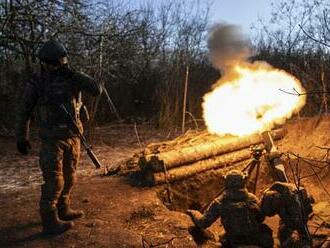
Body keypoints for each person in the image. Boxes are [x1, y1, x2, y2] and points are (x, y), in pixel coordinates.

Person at [15, 40, 102, 235]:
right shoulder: (37, 82)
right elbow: (24, 110)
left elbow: (96, 89)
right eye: (55, 62)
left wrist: (74, 74)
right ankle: (49, 220)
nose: (58, 65)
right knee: (54, 181)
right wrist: (22, 137)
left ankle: (64, 208)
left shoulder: (72, 78)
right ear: (45, 62)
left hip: (73, 136)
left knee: (70, 177)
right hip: (51, 139)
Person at [187, 170, 273, 248]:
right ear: (243, 182)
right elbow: (261, 218)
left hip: (234, 242)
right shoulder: (252, 198)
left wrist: (194, 213)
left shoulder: (219, 202)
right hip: (255, 240)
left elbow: (203, 223)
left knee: (222, 237)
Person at [261, 181, 314, 248]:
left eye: (275, 211)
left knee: (293, 228)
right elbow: (263, 210)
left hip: (304, 204)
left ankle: (306, 243)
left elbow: (298, 222)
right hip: (287, 203)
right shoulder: (270, 192)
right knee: (283, 232)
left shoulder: (292, 201)